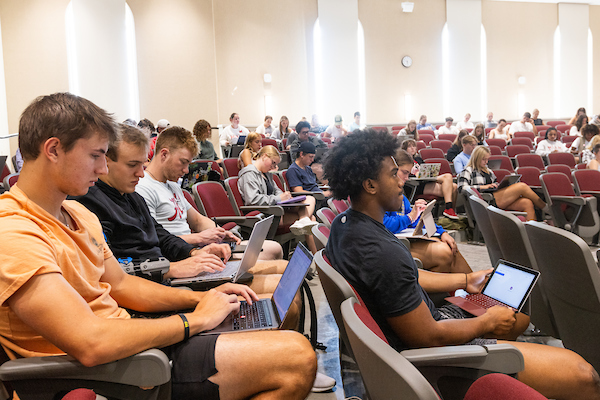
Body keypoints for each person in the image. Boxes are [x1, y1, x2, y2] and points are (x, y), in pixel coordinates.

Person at [0, 92, 317, 400]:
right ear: (53, 150)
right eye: (95, 155)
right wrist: (194, 319)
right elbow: (90, 343)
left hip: (132, 343)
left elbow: (122, 285)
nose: (101, 167)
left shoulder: (77, 213)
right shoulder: (13, 232)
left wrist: (203, 298)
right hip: (110, 373)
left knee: (269, 311)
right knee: (295, 360)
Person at [323, 129, 600, 400]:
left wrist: (465, 281)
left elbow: (404, 279)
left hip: (419, 336)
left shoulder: (345, 225)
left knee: (517, 315)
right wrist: (486, 321)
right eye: (394, 174)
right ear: (370, 185)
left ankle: (513, 370)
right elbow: (429, 336)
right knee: (584, 375)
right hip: (434, 359)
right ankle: (501, 372)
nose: (401, 182)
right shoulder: (381, 252)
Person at [136, 125, 285, 267]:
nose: (186, 170)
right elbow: (155, 240)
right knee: (273, 253)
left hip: (195, 248)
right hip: (182, 256)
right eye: (183, 162)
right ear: (164, 154)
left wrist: (221, 233)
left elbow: (198, 220)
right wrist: (200, 238)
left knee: (274, 249)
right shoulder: (143, 189)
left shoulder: (172, 186)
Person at [238, 145, 318, 254]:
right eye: (273, 163)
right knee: (311, 218)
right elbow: (252, 200)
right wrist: (278, 198)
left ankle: (304, 221)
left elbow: (277, 191)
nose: (273, 167)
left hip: (276, 210)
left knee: (309, 198)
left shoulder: (266, 174)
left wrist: (285, 196)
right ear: (264, 156)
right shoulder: (249, 174)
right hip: (267, 215)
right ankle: (316, 257)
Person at [383, 193, 472, 273]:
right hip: (386, 246)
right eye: (404, 173)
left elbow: (416, 220)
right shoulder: (381, 196)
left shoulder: (401, 196)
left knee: (448, 245)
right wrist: (409, 218)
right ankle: (469, 284)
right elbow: (383, 223)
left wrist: (442, 232)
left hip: (399, 242)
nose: (405, 179)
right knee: (443, 252)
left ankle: (475, 285)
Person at [458, 146, 547, 221]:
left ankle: (531, 233)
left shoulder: (488, 170)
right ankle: (545, 208)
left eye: (487, 159)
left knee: (526, 202)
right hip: (486, 200)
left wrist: (497, 185)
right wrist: (483, 187)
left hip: (495, 197)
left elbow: (493, 183)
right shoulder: (468, 170)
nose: (486, 162)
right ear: (476, 158)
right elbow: (462, 188)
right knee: (522, 186)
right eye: (484, 159)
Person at [401, 139, 459, 219]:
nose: (412, 148)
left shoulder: (418, 159)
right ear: (405, 149)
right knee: (450, 182)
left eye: (414, 146)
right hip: (415, 185)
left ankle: (451, 211)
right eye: (409, 146)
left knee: (454, 185)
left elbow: (426, 170)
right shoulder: (403, 162)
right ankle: (449, 210)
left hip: (426, 180)